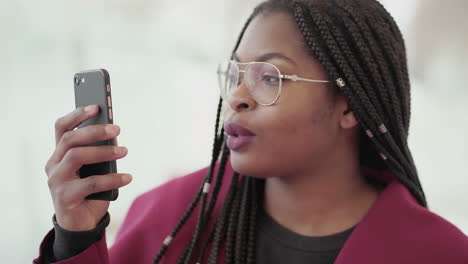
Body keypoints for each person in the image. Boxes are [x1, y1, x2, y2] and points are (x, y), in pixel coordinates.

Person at [34, 0, 468, 263]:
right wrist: (75, 240)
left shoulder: (440, 253)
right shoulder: (166, 218)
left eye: (270, 77)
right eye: (235, 74)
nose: (237, 96)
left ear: (349, 105)